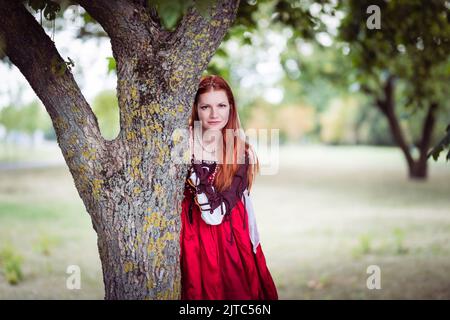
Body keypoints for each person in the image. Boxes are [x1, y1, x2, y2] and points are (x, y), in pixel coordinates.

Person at [180, 75, 278, 300]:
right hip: (190, 235)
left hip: (229, 235)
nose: (214, 114)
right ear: (195, 108)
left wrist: (197, 169)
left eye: (221, 105)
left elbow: (216, 214)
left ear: (231, 108)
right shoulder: (180, 143)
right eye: (206, 106)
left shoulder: (240, 152)